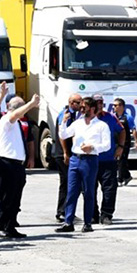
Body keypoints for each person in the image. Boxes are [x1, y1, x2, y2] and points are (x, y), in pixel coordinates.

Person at [56, 97, 111, 233]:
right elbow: (64, 134)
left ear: (92, 108)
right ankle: (68, 222)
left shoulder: (101, 126)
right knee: (71, 191)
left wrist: (92, 147)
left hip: (89, 160)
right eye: (80, 106)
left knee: (88, 191)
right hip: (75, 159)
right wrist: (63, 122)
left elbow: (107, 145)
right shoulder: (77, 123)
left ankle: (88, 222)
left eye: (84, 106)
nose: (81, 108)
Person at [0, 94, 40, 239]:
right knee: (4, 197)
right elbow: (12, 114)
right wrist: (31, 104)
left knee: (14, 198)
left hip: (17, 164)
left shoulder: (17, 122)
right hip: (6, 163)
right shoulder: (7, 119)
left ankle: (10, 225)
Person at [91, 94, 124, 225]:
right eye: (97, 102)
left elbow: (121, 130)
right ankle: (93, 214)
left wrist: (120, 146)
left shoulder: (110, 117)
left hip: (108, 159)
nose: (100, 105)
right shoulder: (85, 118)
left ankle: (107, 214)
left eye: (101, 102)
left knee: (110, 188)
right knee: (89, 189)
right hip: (91, 160)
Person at [54, 93, 83, 221]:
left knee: (67, 183)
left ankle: (65, 211)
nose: (81, 104)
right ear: (71, 103)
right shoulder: (65, 114)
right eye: (78, 102)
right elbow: (62, 135)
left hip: (68, 153)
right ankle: (63, 211)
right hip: (63, 154)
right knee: (67, 183)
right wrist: (66, 152)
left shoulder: (74, 115)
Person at [112, 98, 137, 186]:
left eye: (116, 105)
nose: (114, 107)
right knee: (116, 161)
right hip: (115, 142)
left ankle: (120, 179)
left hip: (125, 142)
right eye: (113, 105)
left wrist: (136, 142)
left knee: (122, 160)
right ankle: (127, 176)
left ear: (121, 106)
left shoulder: (128, 117)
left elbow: (133, 129)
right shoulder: (113, 116)